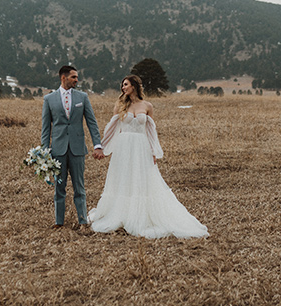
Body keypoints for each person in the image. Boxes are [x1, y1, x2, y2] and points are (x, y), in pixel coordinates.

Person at [87, 74, 208, 239]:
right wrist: (101, 147)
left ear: (134, 86)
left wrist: (153, 151)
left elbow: (151, 131)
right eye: (122, 85)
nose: (123, 88)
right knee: (124, 178)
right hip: (124, 146)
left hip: (141, 147)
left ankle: (142, 213)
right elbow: (111, 128)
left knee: (143, 179)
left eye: (126, 84)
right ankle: (121, 212)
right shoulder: (120, 105)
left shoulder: (147, 106)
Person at [41, 65, 103, 230]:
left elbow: (92, 122)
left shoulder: (82, 97)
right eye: (74, 77)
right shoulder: (49, 99)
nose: (77, 80)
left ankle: (83, 220)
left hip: (77, 151)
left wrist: (97, 144)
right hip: (58, 152)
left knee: (79, 186)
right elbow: (46, 127)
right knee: (59, 185)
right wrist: (44, 151)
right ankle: (59, 222)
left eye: (77, 77)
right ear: (63, 77)